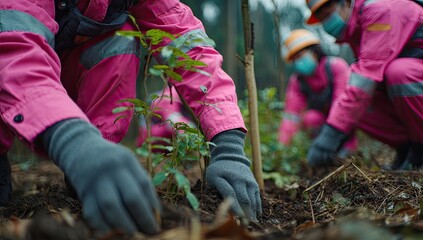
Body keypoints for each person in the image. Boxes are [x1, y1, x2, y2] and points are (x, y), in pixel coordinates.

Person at [0, 0, 261, 235]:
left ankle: (98, 162)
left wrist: (228, 147)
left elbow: (192, 49)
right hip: (20, 81)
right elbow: (16, 53)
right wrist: (74, 142)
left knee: (121, 33)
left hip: (62, 73)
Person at [304, 0, 423, 169]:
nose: (327, 22)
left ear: (345, 2)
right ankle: (408, 149)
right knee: (360, 101)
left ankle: (419, 148)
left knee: (399, 74)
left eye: (328, 13)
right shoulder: (356, 30)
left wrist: (330, 136)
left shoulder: (378, 11)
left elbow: (366, 76)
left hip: (413, 72)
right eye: (322, 18)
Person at [278, 29, 358, 157]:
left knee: (349, 111)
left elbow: (343, 105)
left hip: (344, 124)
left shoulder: (336, 66)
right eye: (294, 60)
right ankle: (321, 150)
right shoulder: (298, 81)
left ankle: (348, 147)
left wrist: (330, 137)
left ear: (313, 51)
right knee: (311, 118)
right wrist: (281, 148)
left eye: (300, 56)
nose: (298, 62)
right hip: (321, 126)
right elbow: (291, 115)